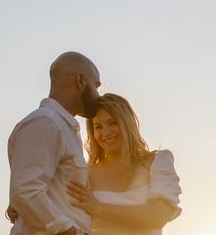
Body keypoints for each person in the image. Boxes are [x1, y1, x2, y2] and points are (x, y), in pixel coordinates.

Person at [7, 51, 101, 235]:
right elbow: (26, 192)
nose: (98, 94)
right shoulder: (46, 123)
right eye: (96, 85)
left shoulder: (63, 128)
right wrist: (70, 232)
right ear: (80, 81)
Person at [66, 93, 181, 235]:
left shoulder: (158, 161)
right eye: (98, 127)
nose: (106, 132)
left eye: (113, 123)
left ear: (127, 123)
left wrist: (98, 207)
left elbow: (158, 216)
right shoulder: (85, 173)